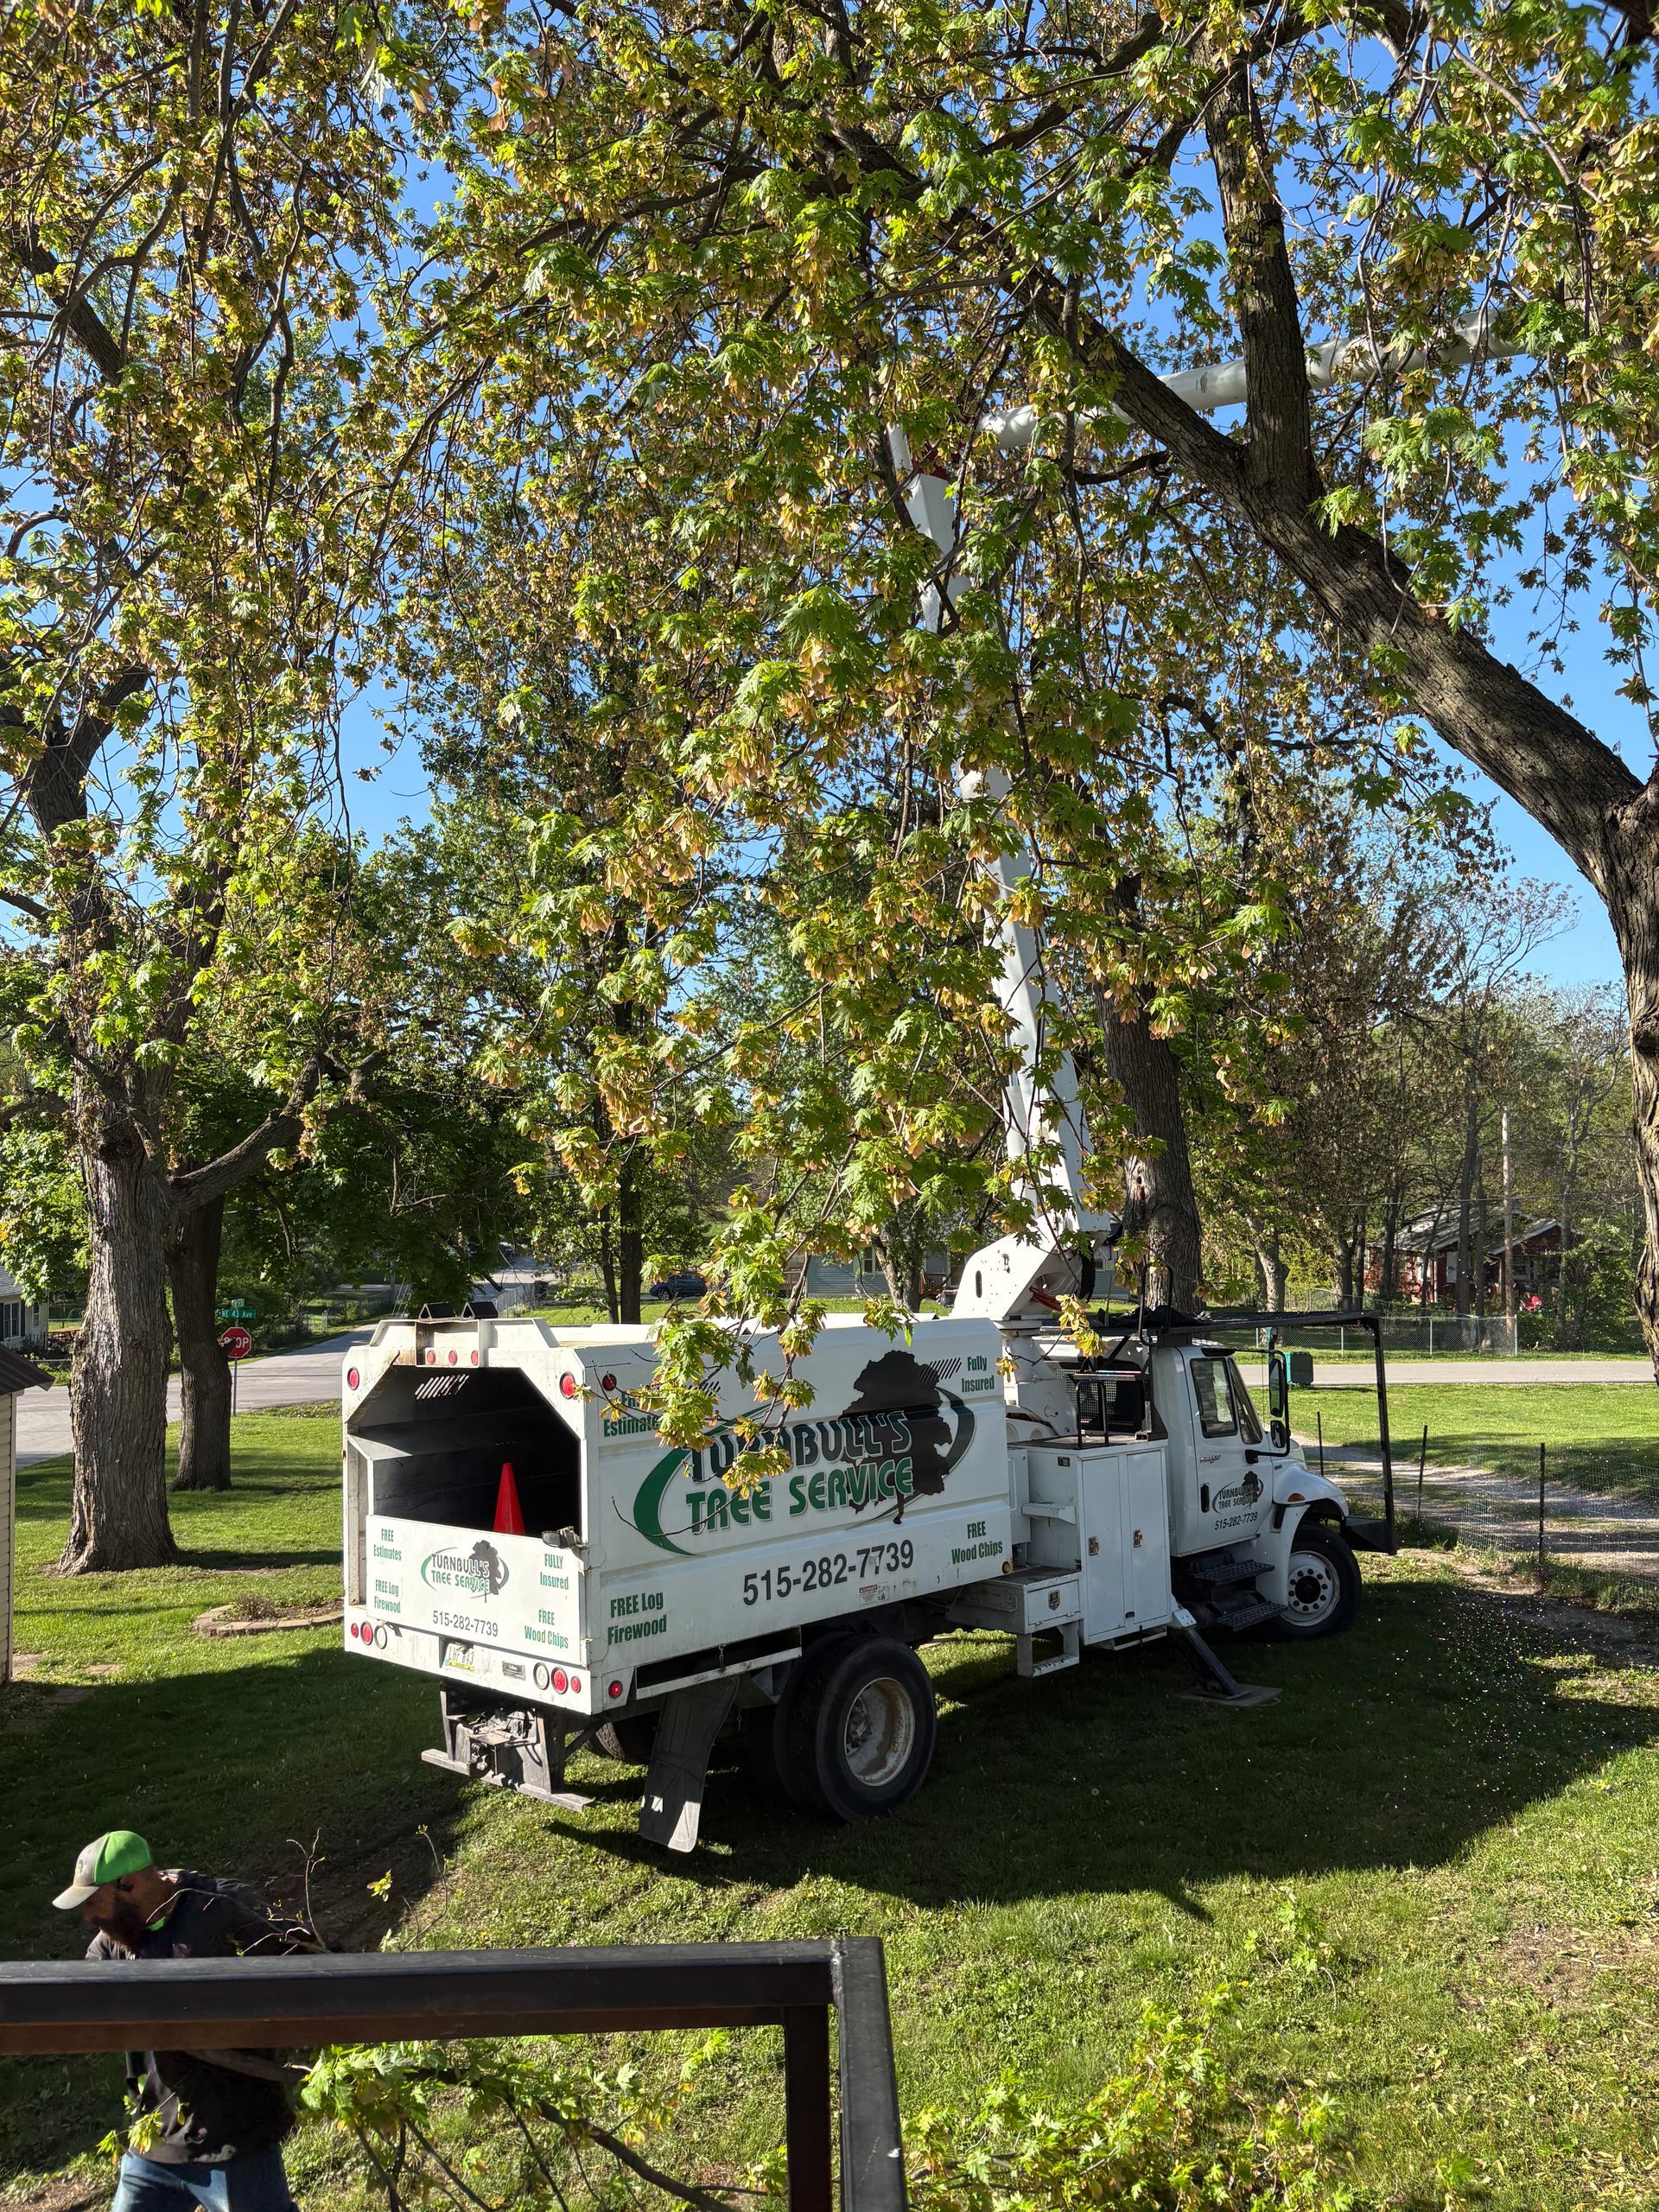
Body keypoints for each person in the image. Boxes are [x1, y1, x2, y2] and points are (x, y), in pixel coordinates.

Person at [54, 1829, 315, 2211]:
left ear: (130, 1884)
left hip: (234, 2139)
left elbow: (304, 1963)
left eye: (95, 1902)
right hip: (155, 2140)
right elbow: (86, 1993)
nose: (88, 1916)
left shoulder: (218, 1909)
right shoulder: (116, 1936)